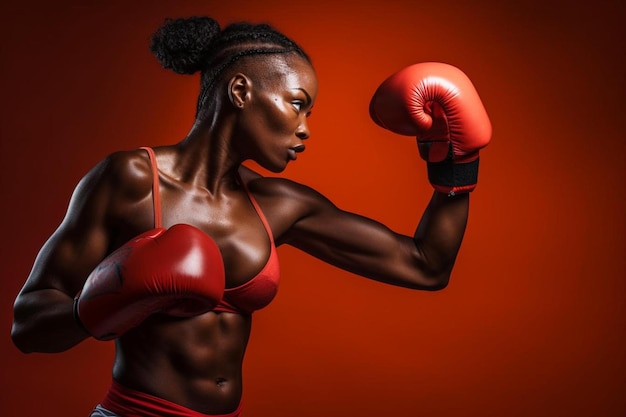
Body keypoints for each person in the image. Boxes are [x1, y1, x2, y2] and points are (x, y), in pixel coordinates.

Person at [11, 15, 491, 417]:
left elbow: (425, 265)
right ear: (240, 90)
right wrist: (95, 306)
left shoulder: (280, 205)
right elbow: (29, 324)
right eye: (297, 104)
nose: (305, 130)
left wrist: (456, 162)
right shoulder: (132, 179)